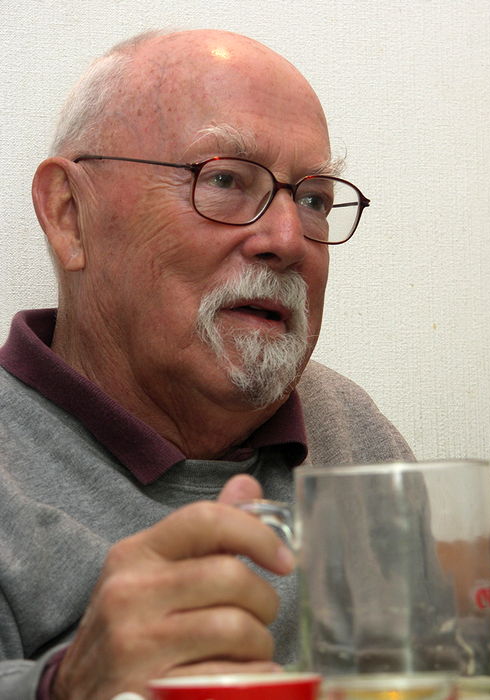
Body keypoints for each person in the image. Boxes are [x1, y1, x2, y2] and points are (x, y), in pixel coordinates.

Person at [0, 29, 414, 700]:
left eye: (312, 199)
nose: (287, 239)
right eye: (223, 179)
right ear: (70, 215)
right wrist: (67, 686)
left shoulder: (352, 433)